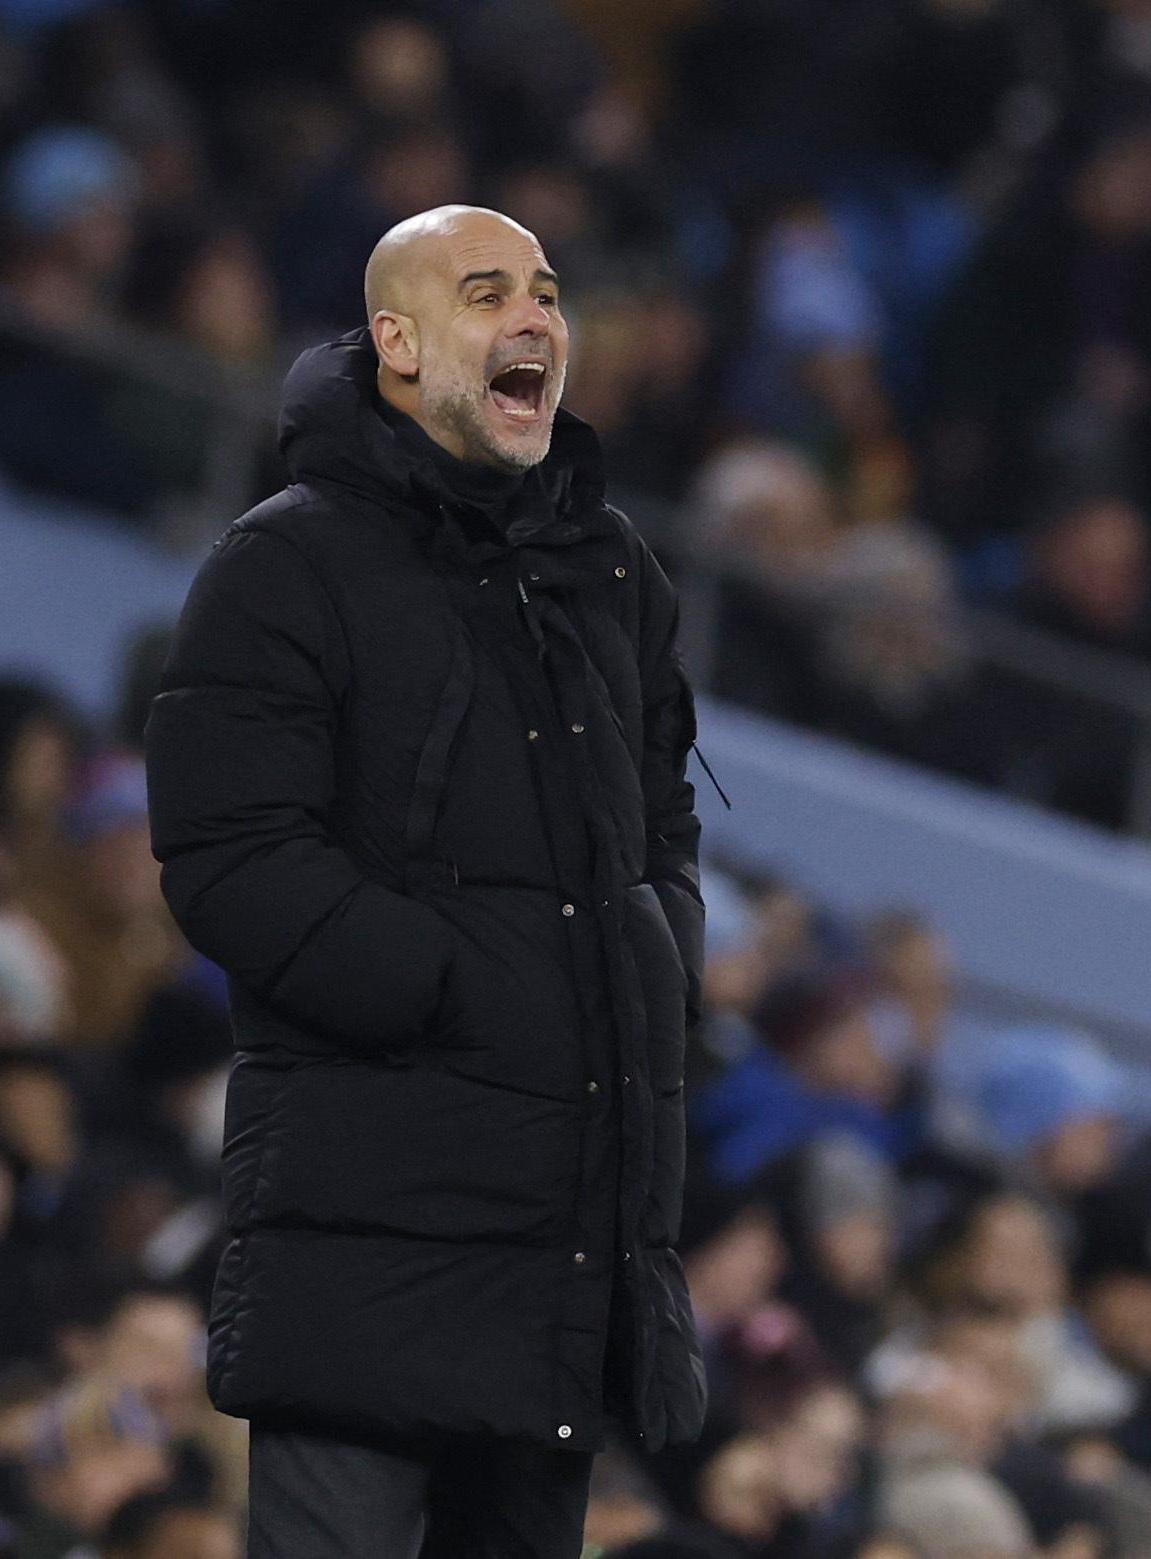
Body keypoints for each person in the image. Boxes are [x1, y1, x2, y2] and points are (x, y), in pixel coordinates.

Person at [142, 204, 708, 1555]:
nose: (535, 319)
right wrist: (448, 989)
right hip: (371, 1224)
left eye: (551, 294)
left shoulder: (609, 570)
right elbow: (229, 856)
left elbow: (663, 823)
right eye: (486, 291)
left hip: (561, 1242)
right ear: (395, 340)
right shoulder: (288, 560)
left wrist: (657, 956)